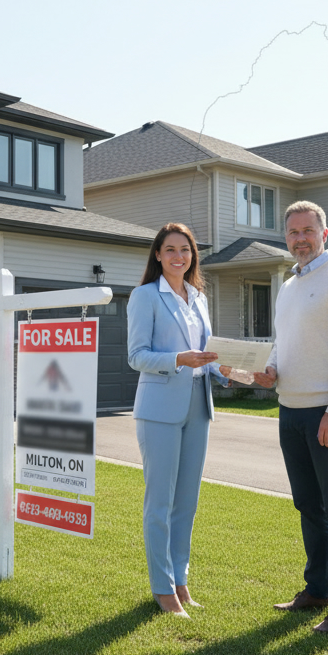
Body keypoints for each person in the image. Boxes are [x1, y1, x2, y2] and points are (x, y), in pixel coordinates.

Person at [253, 201, 328, 634]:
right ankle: (318, 589)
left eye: (307, 230)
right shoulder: (289, 285)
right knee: (309, 505)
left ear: (325, 233)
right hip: (290, 410)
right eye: (292, 232)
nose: (300, 238)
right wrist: (270, 368)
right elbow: (281, 343)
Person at [127, 222, 231, 618]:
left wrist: (231, 371)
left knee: (186, 502)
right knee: (160, 502)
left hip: (197, 405)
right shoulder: (145, 296)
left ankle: (180, 581)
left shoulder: (199, 297)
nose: (178, 257)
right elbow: (136, 356)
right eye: (170, 250)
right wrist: (177, 359)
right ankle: (162, 588)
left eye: (184, 250)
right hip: (158, 409)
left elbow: (208, 355)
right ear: (157, 255)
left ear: (193, 255)